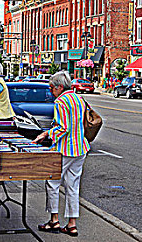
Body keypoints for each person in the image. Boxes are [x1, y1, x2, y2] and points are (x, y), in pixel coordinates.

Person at [34, 71, 90, 237]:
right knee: (73, 186)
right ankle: (72, 224)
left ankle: (54, 220)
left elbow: (63, 127)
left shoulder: (60, 101)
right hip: (81, 148)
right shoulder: (78, 98)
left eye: (52, 88)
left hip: (65, 149)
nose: (51, 91)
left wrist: (46, 134)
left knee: (53, 183)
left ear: (59, 87)